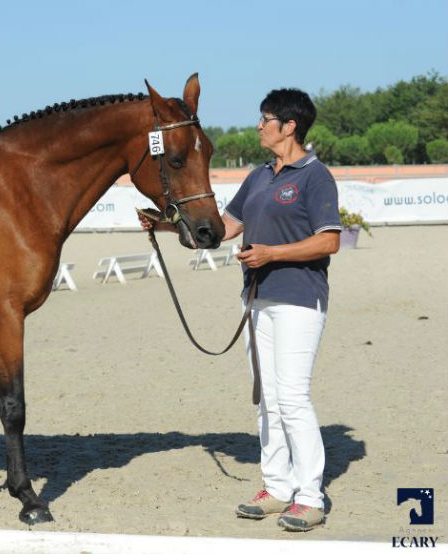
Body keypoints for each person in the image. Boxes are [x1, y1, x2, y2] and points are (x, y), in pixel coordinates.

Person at [140, 88, 340, 532]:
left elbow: (330, 241)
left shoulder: (315, 176)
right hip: (257, 300)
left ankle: (310, 496)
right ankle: (276, 486)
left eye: (265, 119)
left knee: (292, 398)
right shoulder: (258, 176)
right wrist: (168, 225)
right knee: (266, 398)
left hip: (299, 299)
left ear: (289, 126)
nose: (258, 125)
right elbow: (225, 228)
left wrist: (272, 254)